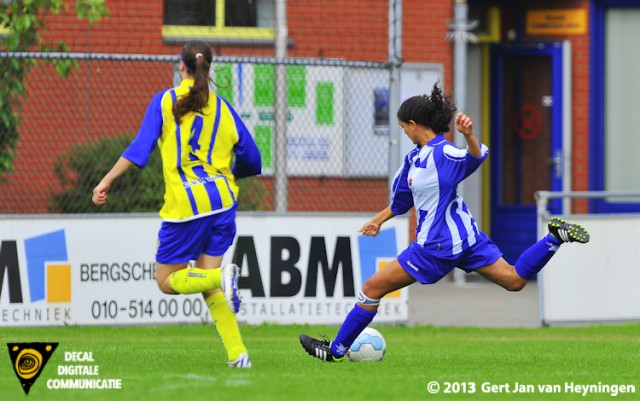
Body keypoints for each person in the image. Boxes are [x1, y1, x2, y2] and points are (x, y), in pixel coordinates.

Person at [299, 83, 589, 362]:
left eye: (403, 128)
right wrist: (376, 221)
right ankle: (554, 238)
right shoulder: (413, 161)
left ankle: (336, 350)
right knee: (514, 280)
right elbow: (400, 204)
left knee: (372, 289)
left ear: (413, 124)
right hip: (467, 240)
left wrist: (469, 135)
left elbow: (475, 157)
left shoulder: (443, 151)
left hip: (434, 246)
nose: (404, 133)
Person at [92, 40, 261, 368]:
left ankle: (221, 277)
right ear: (208, 68)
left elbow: (140, 150)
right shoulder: (223, 107)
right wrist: (226, 174)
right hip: (223, 202)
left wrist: (106, 180)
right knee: (206, 284)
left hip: (187, 207)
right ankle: (238, 354)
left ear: (180, 66)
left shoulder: (165, 101)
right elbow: (253, 159)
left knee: (167, 282)